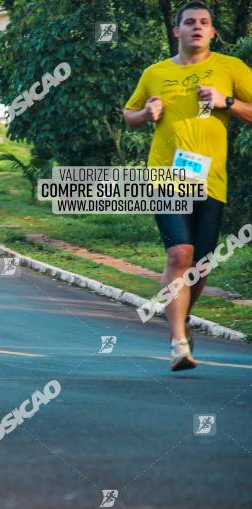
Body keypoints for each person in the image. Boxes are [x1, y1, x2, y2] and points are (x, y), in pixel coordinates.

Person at [123, 1, 252, 371]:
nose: (197, 27)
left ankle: (182, 320)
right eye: (189, 22)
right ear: (176, 31)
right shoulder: (155, 73)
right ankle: (178, 342)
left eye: (204, 22)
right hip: (166, 176)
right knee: (179, 255)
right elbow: (129, 115)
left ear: (213, 32)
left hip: (211, 180)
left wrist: (226, 101)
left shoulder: (231, 69)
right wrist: (146, 113)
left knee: (201, 264)